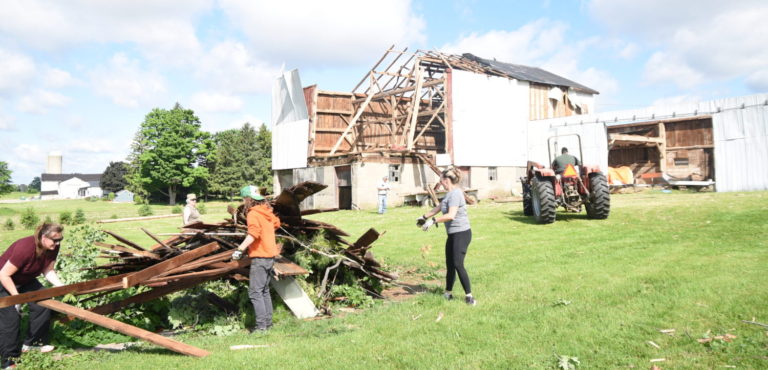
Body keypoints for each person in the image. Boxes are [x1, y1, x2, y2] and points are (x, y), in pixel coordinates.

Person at [0, 223, 66, 368]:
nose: (57, 243)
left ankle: (33, 344)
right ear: (43, 237)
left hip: (25, 280)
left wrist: (61, 286)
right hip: (4, 281)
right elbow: (4, 274)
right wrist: (17, 299)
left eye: (60, 239)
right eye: (55, 240)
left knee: (44, 304)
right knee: (11, 320)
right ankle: (9, 362)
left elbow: (48, 270)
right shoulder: (25, 248)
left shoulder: (52, 248)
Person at [416, 170, 476, 306]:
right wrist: (424, 217)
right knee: (450, 264)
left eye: (441, 180)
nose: (440, 183)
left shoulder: (456, 194)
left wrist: (433, 221)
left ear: (446, 180)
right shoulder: (450, 194)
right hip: (453, 234)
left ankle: (469, 297)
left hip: (462, 233)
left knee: (458, 264)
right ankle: (448, 293)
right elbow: (439, 207)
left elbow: (451, 215)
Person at [231, 185, 281, 333]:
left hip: (260, 256)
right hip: (270, 256)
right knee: (264, 291)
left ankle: (261, 327)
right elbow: (276, 223)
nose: (243, 201)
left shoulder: (253, 214)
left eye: (244, 198)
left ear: (248, 199)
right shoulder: (266, 212)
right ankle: (268, 324)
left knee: (255, 292)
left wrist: (240, 249)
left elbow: (253, 234)